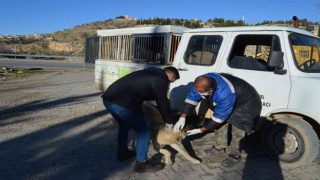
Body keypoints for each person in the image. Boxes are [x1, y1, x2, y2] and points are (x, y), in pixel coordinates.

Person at [173, 73, 261, 167]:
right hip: (231, 98)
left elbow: (218, 118)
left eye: (201, 94)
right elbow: (192, 99)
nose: (199, 94)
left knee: (238, 131)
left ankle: (234, 155)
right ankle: (219, 146)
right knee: (219, 125)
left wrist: (200, 130)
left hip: (245, 104)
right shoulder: (201, 83)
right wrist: (182, 118)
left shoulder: (225, 93)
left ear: (210, 90)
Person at [102, 67, 179, 173]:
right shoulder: (160, 79)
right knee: (144, 131)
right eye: (171, 81)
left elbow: (142, 92)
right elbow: (162, 103)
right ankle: (141, 164)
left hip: (108, 99)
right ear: (170, 75)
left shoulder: (149, 73)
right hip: (122, 103)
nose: (169, 84)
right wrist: (169, 121)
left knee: (124, 125)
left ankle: (122, 152)